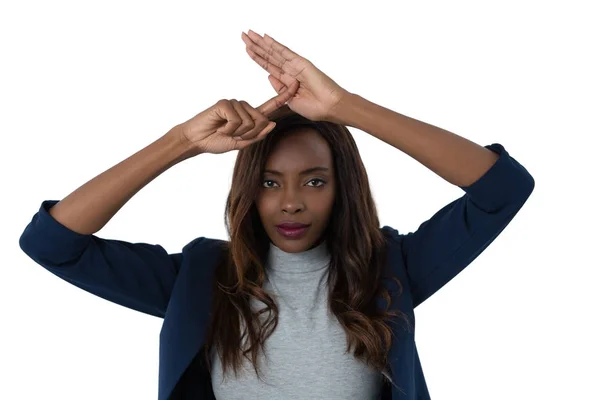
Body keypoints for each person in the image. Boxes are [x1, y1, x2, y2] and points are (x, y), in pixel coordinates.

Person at [18, 31, 535, 399]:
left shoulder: (390, 269)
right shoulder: (201, 279)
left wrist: (347, 107)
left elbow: (502, 188)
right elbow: (51, 243)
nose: (290, 202)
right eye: (270, 183)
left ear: (342, 188)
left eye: (314, 181)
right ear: (249, 190)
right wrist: (181, 143)